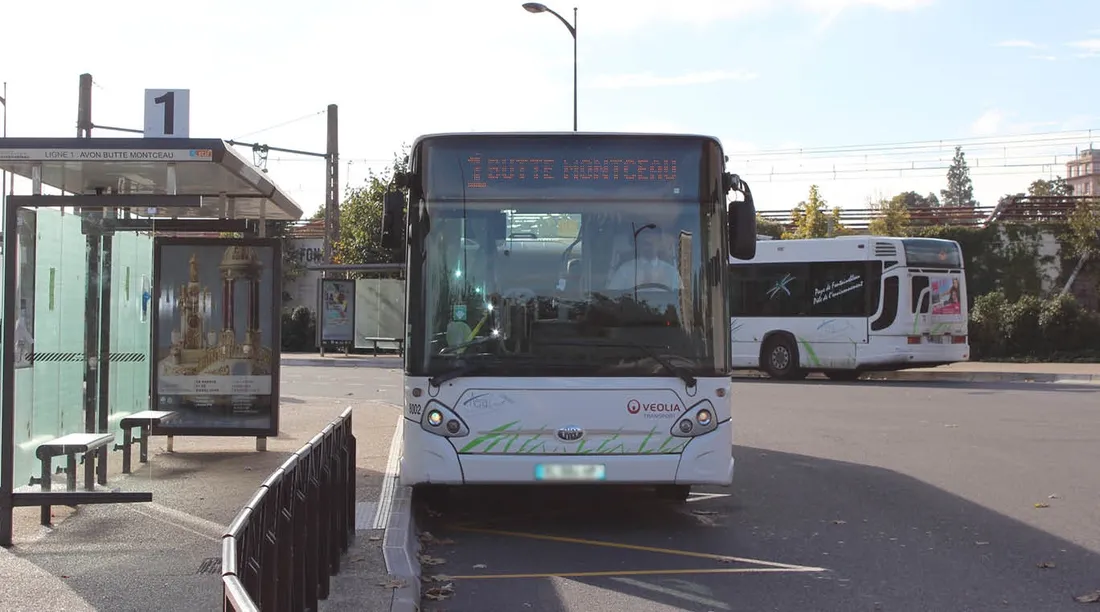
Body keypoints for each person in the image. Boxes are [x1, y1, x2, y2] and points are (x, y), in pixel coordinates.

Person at [605, 224, 682, 292]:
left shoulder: (671, 273)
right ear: (637, 242)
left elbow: (683, 299)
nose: (648, 238)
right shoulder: (625, 271)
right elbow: (611, 297)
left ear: (659, 242)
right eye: (644, 235)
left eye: (653, 235)